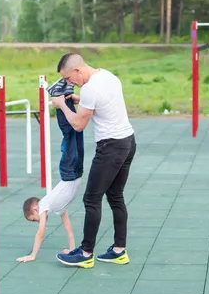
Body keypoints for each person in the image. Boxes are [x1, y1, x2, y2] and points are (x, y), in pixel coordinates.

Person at [50, 52, 136, 269]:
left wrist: (61, 105)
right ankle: (119, 251)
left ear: (78, 70)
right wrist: (80, 101)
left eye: (69, 79)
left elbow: (78, 125)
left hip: (111, 148)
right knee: (115, 195)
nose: (70, 83)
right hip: (128, 142)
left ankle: (86, 253)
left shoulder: (89, 88)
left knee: (91, 199)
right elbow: (103, 103)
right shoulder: (108, 76)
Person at [16, 78, 84, 263]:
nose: (38, 221)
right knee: (77, 131)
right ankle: (66, 94)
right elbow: (69, 230)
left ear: (36, 209)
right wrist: (71, 250)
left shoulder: (45, 206)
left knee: (69, 133)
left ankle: (56, 95)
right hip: (76, 172)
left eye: (34, 218)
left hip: (69, 171)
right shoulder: (59, 207)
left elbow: (40, 234)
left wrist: (32, 255)